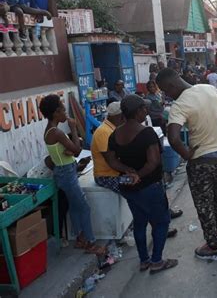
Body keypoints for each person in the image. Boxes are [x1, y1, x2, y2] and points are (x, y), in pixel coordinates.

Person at [156, 68, 217, 261]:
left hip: (201, 161)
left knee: (204, 204)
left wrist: (187, 155)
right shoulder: (208, 89)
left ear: (171, 85)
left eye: (165, 90)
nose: (167, 95)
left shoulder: (179, 105)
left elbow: (174, 138)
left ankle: (213, 247)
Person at [104, 95, 178, 273]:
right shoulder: (147, 133)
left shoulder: (116, 134)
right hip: (149, 185)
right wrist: (137, 174)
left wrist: (128, 171)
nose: (146, 111)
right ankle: (157, 261)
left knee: (139, 222)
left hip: (129, 187)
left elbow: (111, 160)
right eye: (144, 108)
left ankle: (144, 260)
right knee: (160, 222)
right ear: (138, 111)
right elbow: (153, 162)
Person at [39, 95, 105, 255]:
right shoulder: (57, 133)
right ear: (56, 113)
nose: (65, 113)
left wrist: (71, 150)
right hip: (66, 173)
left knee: (75, 206)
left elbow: (70, 151)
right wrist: (74, 129)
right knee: (84, 207)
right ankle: (90, 243)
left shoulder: (49, 130)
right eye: (62, 110)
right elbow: (76, 150)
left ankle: (80, 238)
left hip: (63, 171)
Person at [91, 102, 123, 193]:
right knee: (133, 188)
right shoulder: (104, 132)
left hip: (114, 174)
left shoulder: (111, 129)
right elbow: (112, 161)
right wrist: (130, 170)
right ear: (118, 116)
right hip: (105, 176)